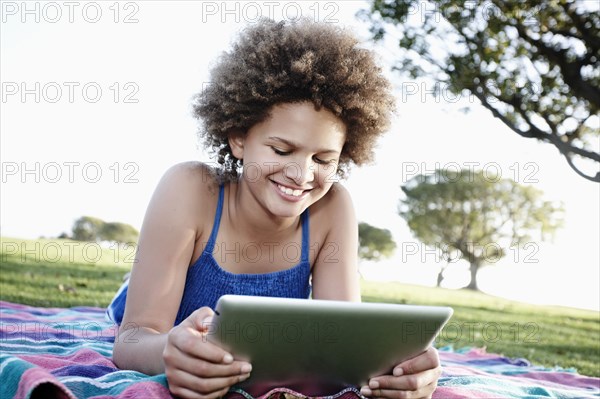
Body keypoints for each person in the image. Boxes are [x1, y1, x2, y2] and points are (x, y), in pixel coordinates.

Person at [108, 18, 441, 399]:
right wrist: (170, 353)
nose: (302, 174)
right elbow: (132, 339)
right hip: (150, 311)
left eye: (323, 159)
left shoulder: (332, 207)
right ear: (238, 138)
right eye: (282, 151)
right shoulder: (189, 189)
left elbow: (347, 345)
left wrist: (398, 373)